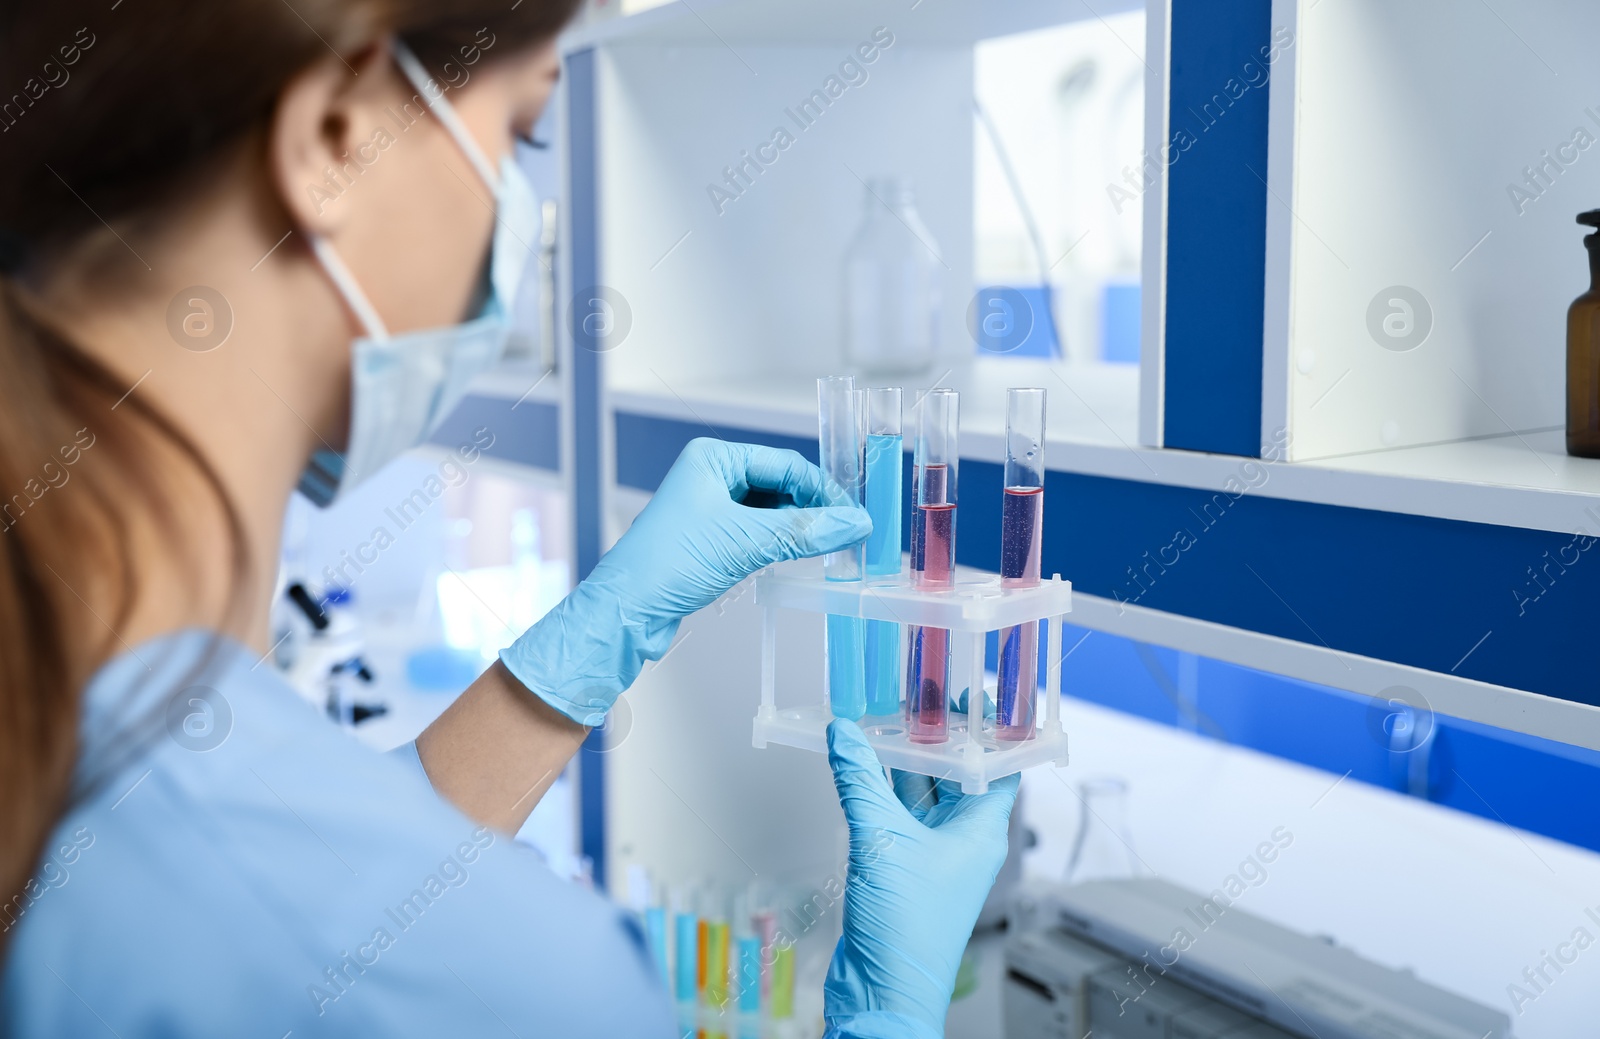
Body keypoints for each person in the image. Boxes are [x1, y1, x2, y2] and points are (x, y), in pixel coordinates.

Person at [0, 2, 1019, 1036]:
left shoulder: (77, 709)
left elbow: (314, 888)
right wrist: (882, 1017)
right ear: (337, 136)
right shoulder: (538, 990)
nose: (515, 219)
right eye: (521, 134)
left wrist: (585, 644)